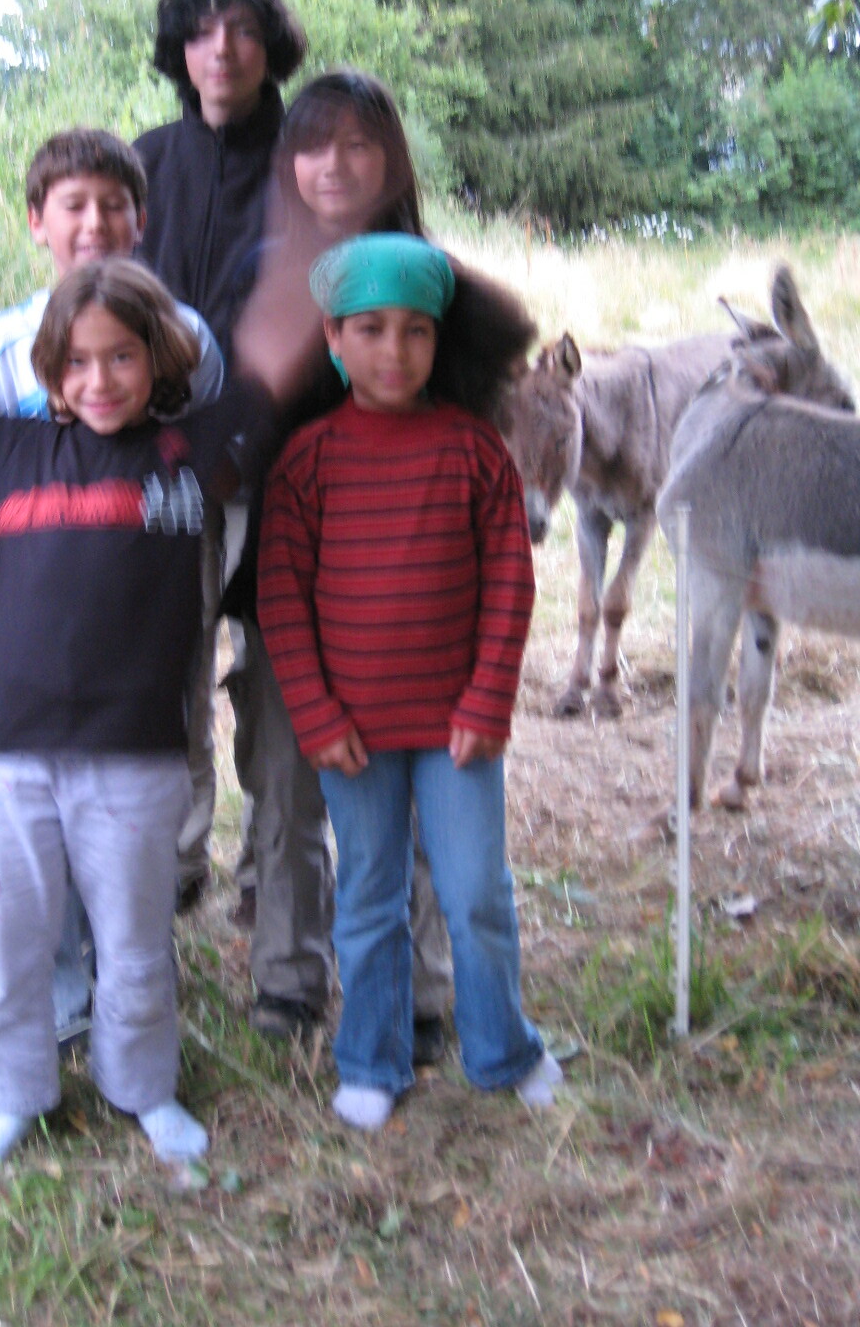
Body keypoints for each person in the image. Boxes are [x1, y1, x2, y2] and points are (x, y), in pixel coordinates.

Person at [0, 259, 263, 1180]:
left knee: (135, 942)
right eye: (77, 362)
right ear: (48, 370)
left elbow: (269, 374)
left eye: (122, 356)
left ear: (159, 359)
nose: (99, 379)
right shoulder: (13, 448)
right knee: (9, 939)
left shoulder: (188, 452)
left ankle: (143, 1087)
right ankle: (11, 1096)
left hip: (136, 760)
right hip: (12, 755)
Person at [229, 71, 536, 1051]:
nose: (336, 165)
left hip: (421, 601)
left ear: (394, 161)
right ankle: (290, 978)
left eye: (360, 143)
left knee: (431, 813)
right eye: (314, 145)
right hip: (288, 583)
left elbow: (493, 411)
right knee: (287, 781)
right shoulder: (254, 276)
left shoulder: (439, 285)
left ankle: (429, 991)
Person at [257, 233, 562, 1131]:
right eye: (371, 328)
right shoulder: (308, 460)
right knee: (368, 897)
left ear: (439, 340)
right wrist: (314, 715)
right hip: (351, 735)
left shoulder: (474, 451)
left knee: (475, 896)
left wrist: (489, 700)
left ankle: (502, 1049)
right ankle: (371, 1058)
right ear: (334, 338)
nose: (395, 350)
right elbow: (282, 596)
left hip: (457, 729)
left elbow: (510, 583)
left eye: (416, 331)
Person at [0, 129, 224, 1047]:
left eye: (113, 205)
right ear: (38, 221)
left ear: (142, 219)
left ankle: (131, 977)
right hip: (45, 609)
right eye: (73, 206)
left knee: (158, 763)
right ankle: (60, 994)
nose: (94, 224)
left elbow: (202, 460)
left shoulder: (188, 336)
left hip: (154, 605)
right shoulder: (1, 345)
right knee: (37, 790)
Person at [133, 0, 307, 915]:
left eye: (241, 28)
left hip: (285, 465)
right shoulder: (147, 162)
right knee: (168, 670)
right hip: (166, 462)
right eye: (201, 32)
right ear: (180, 53)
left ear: (269, 44)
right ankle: (174, 868)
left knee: (278, 682)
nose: (222, 50)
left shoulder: (312, 155)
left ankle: (275, 883)